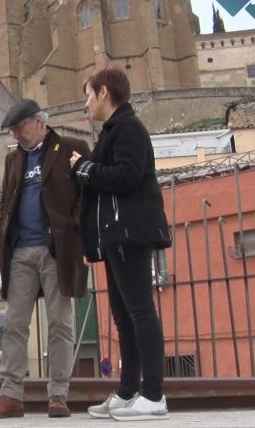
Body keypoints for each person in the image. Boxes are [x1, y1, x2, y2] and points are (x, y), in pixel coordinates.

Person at [0, 100, 90, 420]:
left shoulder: (71, 147)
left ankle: (58, 395)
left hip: (58, 249)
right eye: (12, 128)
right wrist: (3, 230)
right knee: (13, 324)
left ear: (40, 122)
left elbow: (87, 194)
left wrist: (76, 230)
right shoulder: (14, 159)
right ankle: (10, 395)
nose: (15, 132)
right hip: (20, 251)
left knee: (60, 323)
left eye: (19, 126)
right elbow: (5, 201)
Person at [70, 67, 171, 422]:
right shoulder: (112, 132)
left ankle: (154, 395)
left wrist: (86, 169)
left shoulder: (128, 128)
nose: (85, 103)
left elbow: (127, 177)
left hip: (130, 232)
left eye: (87, 95)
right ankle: (129, 392)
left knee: (140, 311)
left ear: (103, 93)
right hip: (115, 235)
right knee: (123, 316)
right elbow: (101, 177)